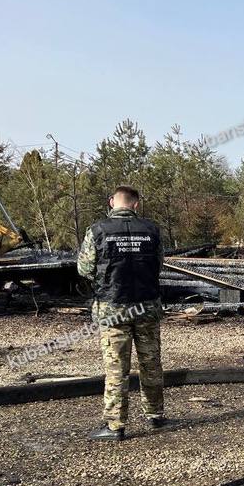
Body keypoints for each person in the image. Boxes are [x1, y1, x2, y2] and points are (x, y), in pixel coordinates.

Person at [77, 186, 165, 441]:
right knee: (151, 363)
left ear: (111, 202)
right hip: (146, 306)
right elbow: (158, 264)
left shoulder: (97, 230)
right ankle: (155, 414)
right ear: (136, 204)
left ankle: (116, 425)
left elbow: (84, 269)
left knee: (116, 367)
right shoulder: (152, 230)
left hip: (113, 308)